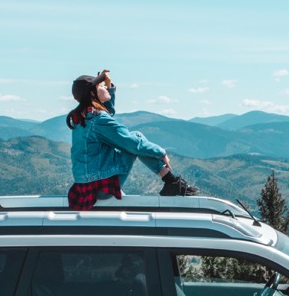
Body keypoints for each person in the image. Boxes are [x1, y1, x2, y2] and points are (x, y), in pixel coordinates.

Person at [66, 69, 199, 209]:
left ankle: (171, 181)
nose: (104, 87)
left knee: (133, 139)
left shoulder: (83, 117)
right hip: (101, 187)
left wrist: (109, 86)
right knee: (136, 137)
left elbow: (107, 116)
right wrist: (161, 153)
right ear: (93, 93)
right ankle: (171, 181)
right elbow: (133, 144)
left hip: (86, 185)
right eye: (101, 86)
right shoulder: (98, 120)